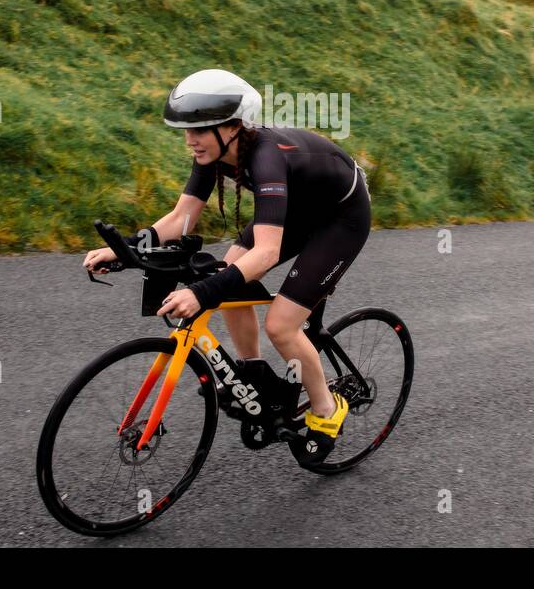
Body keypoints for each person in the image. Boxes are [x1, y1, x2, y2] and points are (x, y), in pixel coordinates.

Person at [82, 68, 372, 456]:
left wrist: (202, 294)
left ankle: (326, 409)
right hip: (299, 210)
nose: (190, 141)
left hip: (340, 218)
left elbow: (267, 252)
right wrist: (124, 250)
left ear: (233, 127)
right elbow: (182, 217)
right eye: (187, 130)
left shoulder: (266, 157)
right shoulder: (215, 151)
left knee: (282, 325)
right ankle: (252, 369)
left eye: (198, 130)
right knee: (229, 271)